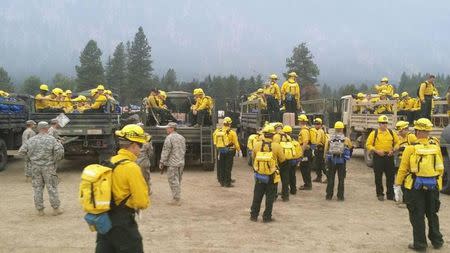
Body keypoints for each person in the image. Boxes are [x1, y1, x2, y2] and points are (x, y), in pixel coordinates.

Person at [96, 124, 150, 252]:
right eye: (140, 145)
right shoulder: (132, 168)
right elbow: (141, 201)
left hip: (104, 219)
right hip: (123, 221)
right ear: (133, 146)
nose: (141, 149)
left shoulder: (111, 161)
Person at [394, 118, 444, 251]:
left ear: (416, 131)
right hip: (433, 186)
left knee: (417, 215)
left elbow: (403, 169)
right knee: (432, 214)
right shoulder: (435, 147)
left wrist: (397, 186)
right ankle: (437, 241)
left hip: (414, 187)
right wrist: (437, 184)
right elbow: (440, 168)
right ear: (428, 131)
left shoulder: (410, 149)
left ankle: (420, 244)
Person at [18, 121, 64, 216]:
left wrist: (30, 159)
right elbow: (59, 152)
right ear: (47, 128)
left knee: (37, 188)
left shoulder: (31, 140)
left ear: (38, 129)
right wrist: (54, 161)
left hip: (35, 168)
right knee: (52, 187)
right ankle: (56, 209)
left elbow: (21, 152)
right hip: (49, 167)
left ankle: (40, 210)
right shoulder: (52, 139)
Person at [250, 125, 285, 222]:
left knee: (257, 195)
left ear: (264, 134)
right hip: (272, 176)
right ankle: (267, 217)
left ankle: (253, 215)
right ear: (273, 135)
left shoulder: (257, 145)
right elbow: (282, 159)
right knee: (270, 197)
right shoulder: (277, 146)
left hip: (259, 174)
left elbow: (253, 156)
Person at [366, 115, 399, 201]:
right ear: (379, 124)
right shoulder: (374, 133)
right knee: (378, 176)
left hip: (389, 156)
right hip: (378, 157)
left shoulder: (392, 133)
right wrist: (376, 151)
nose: (384, 125)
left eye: (385, 123)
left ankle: (390, 195)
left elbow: (397, 143)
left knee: (391, 177)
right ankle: (380, 194)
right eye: (382, 123)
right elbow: (368, 145)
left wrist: (393, 150)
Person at [159, 122, 186, 205]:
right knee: (177, 180)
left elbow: (166, 151)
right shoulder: (182, 137)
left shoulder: (169, 138)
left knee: (173, 181)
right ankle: (177, 196)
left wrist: (162, 161)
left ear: (172, 128)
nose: (166, 129)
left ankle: (176, 199)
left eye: (168, 128)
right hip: (181, 162)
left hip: (172, 163)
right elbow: (184, 150)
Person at [325, 121, 353, 201]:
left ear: (335, 128)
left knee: (330, 178)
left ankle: (328, 195)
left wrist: (326, 160)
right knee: (341, 179)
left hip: (332, 161)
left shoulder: (329, 138)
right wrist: (347, 157)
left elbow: (326, 150)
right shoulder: (346, 139)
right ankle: (340, 196)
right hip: (341, 161)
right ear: (342, 129)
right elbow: (350, 148)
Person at [213, 117, 240, 187]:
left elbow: (214, 138)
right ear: (230, 124)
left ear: (223, 123)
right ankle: (227, 183)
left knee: (221, 166)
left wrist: (217, 146)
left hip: (220, 150)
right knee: (228, 167)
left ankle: (221, 181)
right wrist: (238, 150)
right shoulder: (232, 133)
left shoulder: (218, 131)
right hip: (229, 151)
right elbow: (236, 143)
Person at [298, 114, 312, 190]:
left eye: (299, 120)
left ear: (301, 121)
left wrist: (301, 152)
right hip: (306, 151)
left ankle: (308, 185)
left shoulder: (304, 131)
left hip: (305, 152)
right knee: (304, 167)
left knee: (305, 168)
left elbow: (305, 142)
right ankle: (307, 184)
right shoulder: (305, 130)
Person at [310, 118, 326, 183]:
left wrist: (312, 146)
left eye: (318, 124)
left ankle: (328, 177)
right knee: (317, 164)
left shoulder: (320, 131)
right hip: (319, 149)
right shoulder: (319, 131)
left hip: (320, 149)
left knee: (322, 165)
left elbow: (317, 141)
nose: (316, 125)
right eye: (315, 124)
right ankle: (318, 177)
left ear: (320, 124)